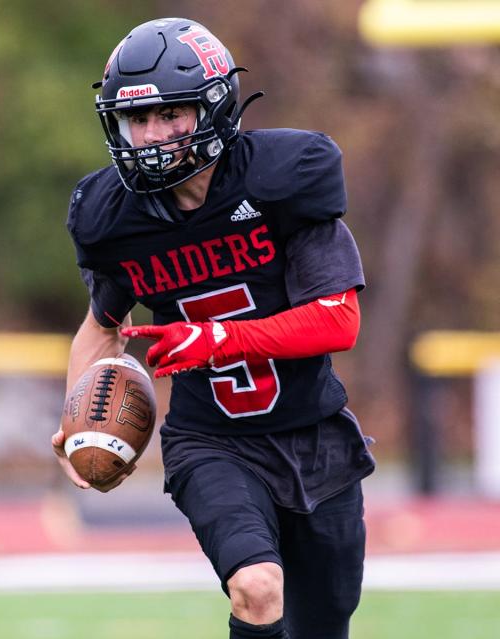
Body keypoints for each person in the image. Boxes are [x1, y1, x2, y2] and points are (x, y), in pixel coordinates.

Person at [51, 17, 376, 639]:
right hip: (212, 443)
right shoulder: (117, 219)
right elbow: (102, 327)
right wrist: (77, 422)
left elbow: (338, 321)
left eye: (169, 115)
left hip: (314, 436)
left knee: (323, 623)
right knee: (256, 588)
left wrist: (220, 339)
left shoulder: (284, 181)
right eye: (135, 120)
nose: (149, 136)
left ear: (214, 108)